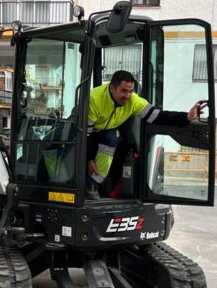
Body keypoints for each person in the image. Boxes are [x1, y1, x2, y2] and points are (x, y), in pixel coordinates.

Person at [86, 70, 206, 198]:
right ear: (112, 88)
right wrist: (89, 159)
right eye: (124, 91)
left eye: (131, 91)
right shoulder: (94, 99)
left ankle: (92, 185)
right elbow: (86, 135)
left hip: (108, 129)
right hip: (88, 130)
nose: (128, 95)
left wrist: (187, 117)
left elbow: (158, 116)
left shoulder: (134, 101)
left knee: (111, 140)